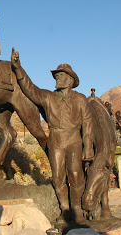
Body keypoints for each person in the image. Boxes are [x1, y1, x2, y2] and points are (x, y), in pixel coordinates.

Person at [11, 48, 94, 223]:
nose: (57, 78)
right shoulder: (48, 97)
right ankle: (65, 210)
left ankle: (77, 210)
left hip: (74, 140)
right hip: (55, 140)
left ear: (70, 80)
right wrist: (18, 68)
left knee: (75, 174)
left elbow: (87, 125)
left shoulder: (80, 99)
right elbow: (30, 88)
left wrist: (88, 148)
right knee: (57, 176)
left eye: (61, 75)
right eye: (56, 76)